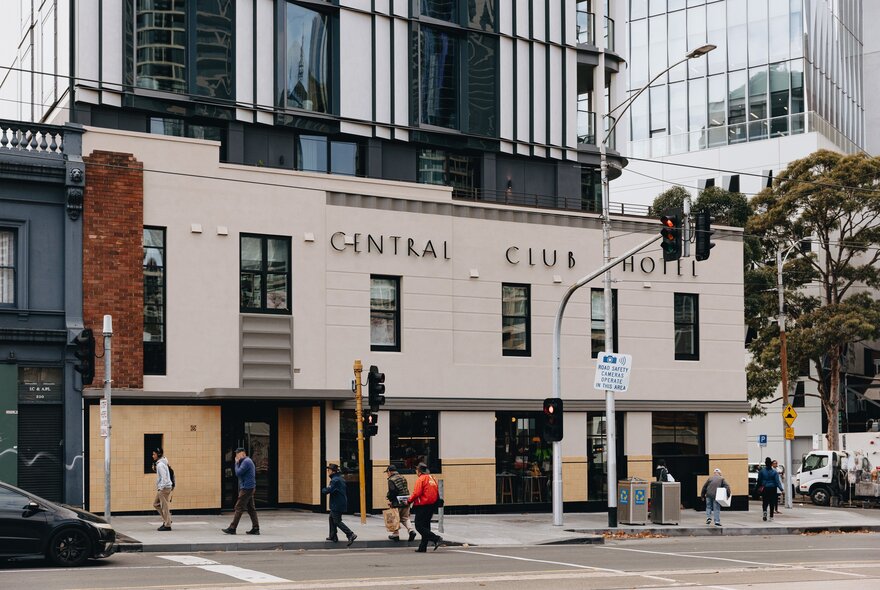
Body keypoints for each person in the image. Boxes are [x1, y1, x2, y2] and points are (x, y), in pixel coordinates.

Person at [221, 447, 260, 535]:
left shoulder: (246, 462)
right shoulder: (247, 461)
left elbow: (238, 473)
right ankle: (256, 528)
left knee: (238, 507)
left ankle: (232, 528)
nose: (236, 455)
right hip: (249, 487)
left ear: (242, 454)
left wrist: (236, 463)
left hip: (247, 488)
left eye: (237, 454)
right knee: (251, 509)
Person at [407, 462, 442, 552]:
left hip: (422, 505)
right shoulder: (432, 478)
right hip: (432, 505)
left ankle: (436, 538)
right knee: (426, 526)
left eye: (416, 469)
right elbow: (436, 491)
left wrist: (409, 501)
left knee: (419, 526)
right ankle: (422, 547)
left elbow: (417, 493)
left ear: (419, 471)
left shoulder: (421, 479)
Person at [321, 464, 356, 546]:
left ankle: (350, 534)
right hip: (339, 503)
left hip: (337, 504)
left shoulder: (335, 480)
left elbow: (329, 490)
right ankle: (333, 536)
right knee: (331, 518)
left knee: (337, 521)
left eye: (329, 470)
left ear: (333, 471)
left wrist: (323, 490)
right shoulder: (340, 479)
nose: (327, 471)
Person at [385, 464, 417, 542]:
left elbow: (393, 491)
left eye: (387, 472)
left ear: (389, 471)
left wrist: (390, 499)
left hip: (397, 502)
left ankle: (396, 534)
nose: (387, 474)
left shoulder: (391, 479)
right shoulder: (403, 477)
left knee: (395, 518)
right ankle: (411, 531)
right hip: (406, 500)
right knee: (405, 518)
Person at [152, 448, 173, 531]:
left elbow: (164, 478)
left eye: (154, 454)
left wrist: (160, 488)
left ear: (158, 455)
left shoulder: (160, 465)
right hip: (164, 487)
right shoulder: (161, 463)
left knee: (164, 507)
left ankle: (167, 525)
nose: (152, 456)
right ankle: (168, 519)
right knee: (156, 504)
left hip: (164, 488)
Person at [758, 457, 784, 521]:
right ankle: (771, 516)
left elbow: (759, 481)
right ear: (771, 464)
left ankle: (764, 513)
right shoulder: (774, 472)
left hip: (765, 488)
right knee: (772, 502)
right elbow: (777, 482)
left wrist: (758, 488)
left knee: (765, 502)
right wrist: (782, 490)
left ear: (765, 463)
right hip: (773, 488)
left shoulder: (762, 471)